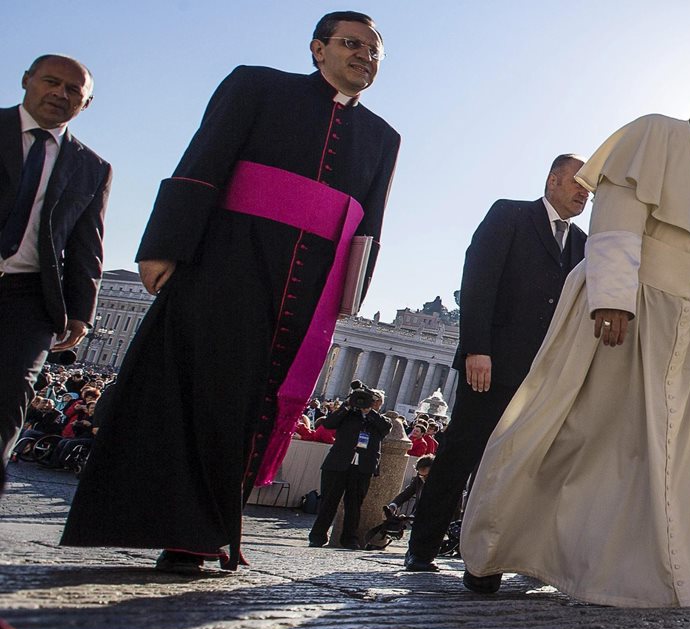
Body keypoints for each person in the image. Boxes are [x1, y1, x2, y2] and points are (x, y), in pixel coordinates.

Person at [63, 12, 401, 573]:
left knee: (258, 405)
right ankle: (182, 529)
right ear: (317, 49)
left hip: (306, 284)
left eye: (374, 51)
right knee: (201, 391)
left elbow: (369, 223)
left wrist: (348, 294)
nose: (364, 56)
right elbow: (205, 159)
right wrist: (165, 244)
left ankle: (215, 526)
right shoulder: (257, 85)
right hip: (227, 263)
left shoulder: (383, 137)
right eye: (351, 44)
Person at [455, 73, 690, 606]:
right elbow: (618, 217)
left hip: (688, 331)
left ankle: (631, 568)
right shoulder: (654, 133)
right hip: (631, 306)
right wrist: (612, 297)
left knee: (648, 452)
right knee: (577, 428)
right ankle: (497, 546)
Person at [403, 155, 588, 571]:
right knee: (461, 453)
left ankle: (499, 554)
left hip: (543, 376)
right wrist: (475, 348)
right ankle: (423, 547)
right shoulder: (510, 214)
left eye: (589, 189)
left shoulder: (584, 243)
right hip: (490, 363)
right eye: (578, 182)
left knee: (521, 467)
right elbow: (479, 280)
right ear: (553, 179)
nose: (584, 193)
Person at [1, 55, 110, 495]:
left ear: (85, 104)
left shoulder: (92, 166)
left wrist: (81, 311)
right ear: (27, 80)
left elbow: (88, 244)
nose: (59, 94)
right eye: (51, 82)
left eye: (73, 91)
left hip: (28, 296)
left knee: (9, 399)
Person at [308, 383, 392, 549]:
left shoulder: (380, 420)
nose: (369, 403)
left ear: (379, 404)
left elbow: (385, 428)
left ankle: (349, 538)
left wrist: (369, 412)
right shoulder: (346, 415)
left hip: (362, 467)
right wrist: (347, 405)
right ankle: (317, 536)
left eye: (374, 401)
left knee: (354, 505)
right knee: (328, 503)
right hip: (338, 464)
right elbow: (329, 423)